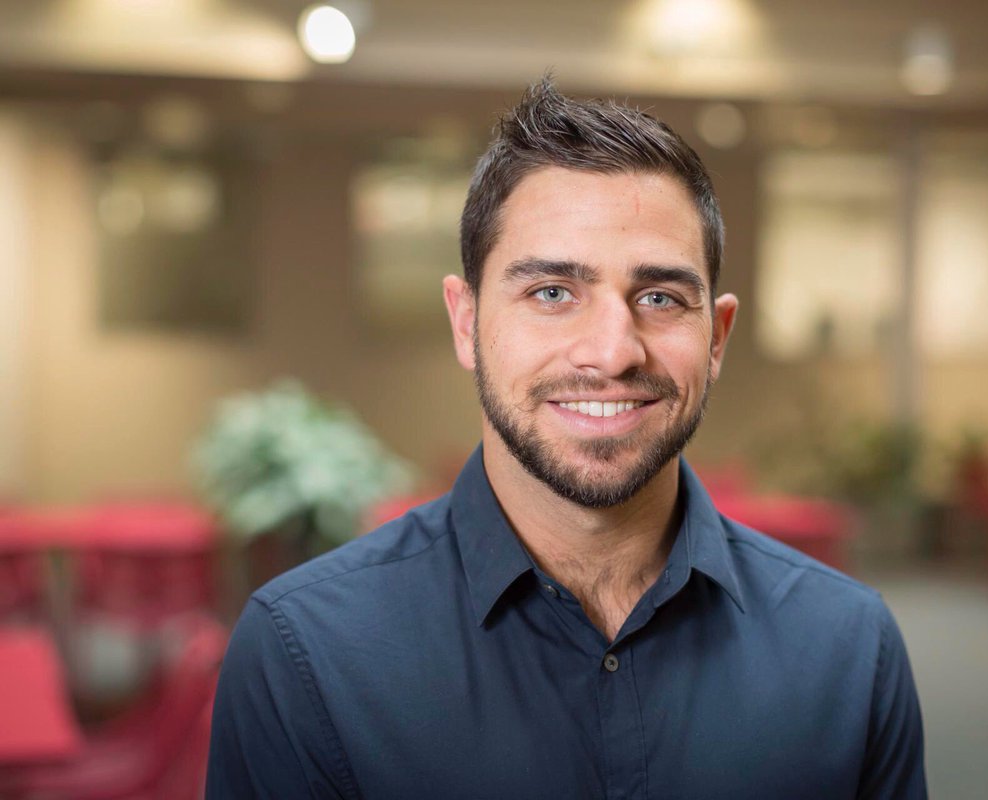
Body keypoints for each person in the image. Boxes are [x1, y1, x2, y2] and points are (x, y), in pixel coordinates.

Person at [206, 78, 926, 799]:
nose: (613, 352)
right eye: (552, 292)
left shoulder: (849, 649)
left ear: (718, 338)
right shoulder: (305, 653)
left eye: (660, 298)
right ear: (466, 321)